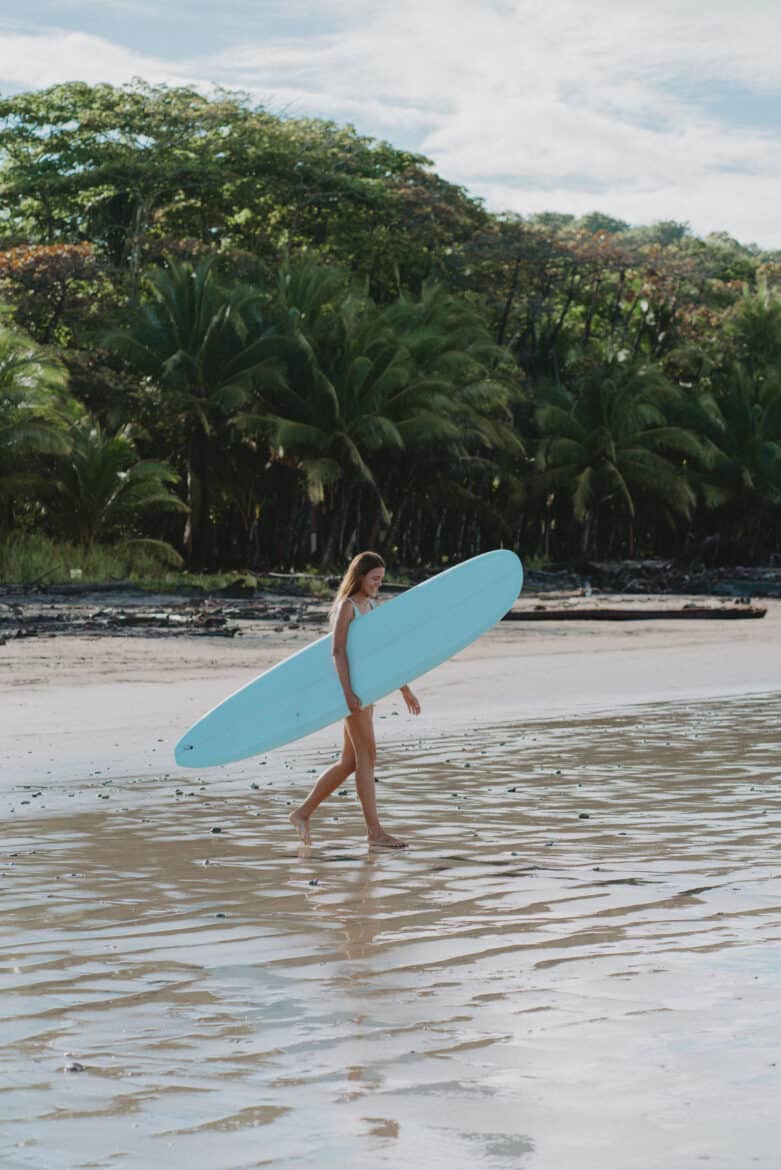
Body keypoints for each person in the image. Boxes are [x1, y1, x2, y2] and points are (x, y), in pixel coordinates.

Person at [289, 551, 420, 849]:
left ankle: (302, 813)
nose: (378, 584)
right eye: (374, 579)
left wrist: (404, 688)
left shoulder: (370, 605)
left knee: (350, 762)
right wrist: (347, 692)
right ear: (359, 576)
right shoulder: (346, 607)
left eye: (381, 580)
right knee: (368, 758)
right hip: (352, 692)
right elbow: (337, 652)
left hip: (366, 692)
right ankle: (375, 833)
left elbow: (382, 654)